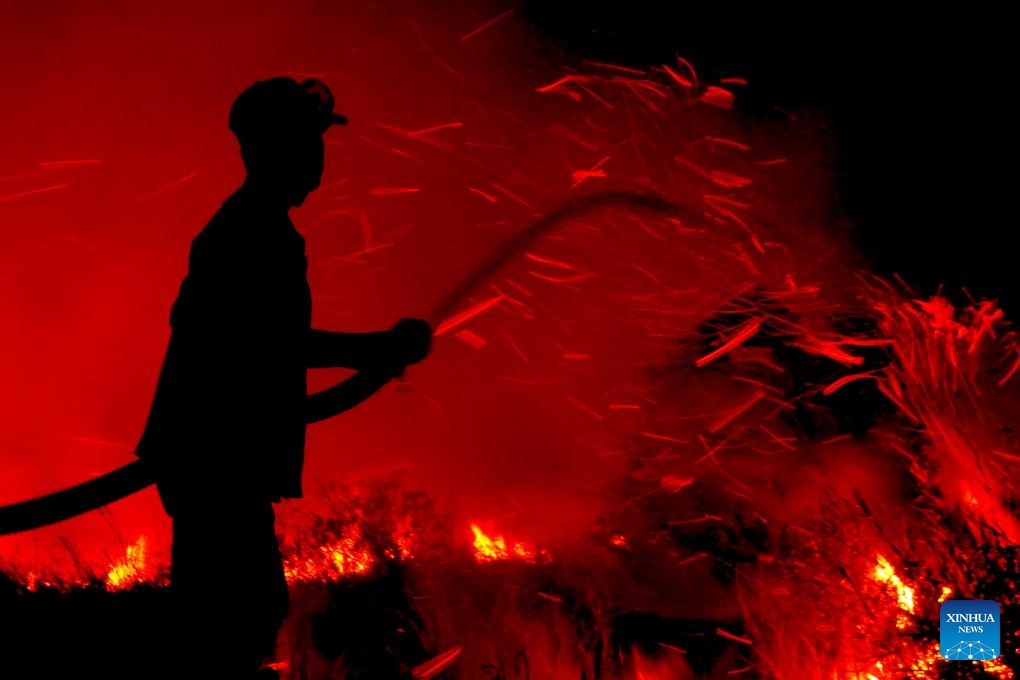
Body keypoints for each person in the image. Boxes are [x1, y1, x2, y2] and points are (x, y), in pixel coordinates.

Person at [134, 76, 432, 678]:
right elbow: (267, 345)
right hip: (213, 459)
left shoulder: (254, 228)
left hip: (216, 459)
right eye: (307, 141)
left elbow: (262, 350)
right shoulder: (253, 235)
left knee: (243, 614)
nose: (317, 155)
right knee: (233, 622)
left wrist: (374, 353)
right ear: (270, 148)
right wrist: (379, 348)